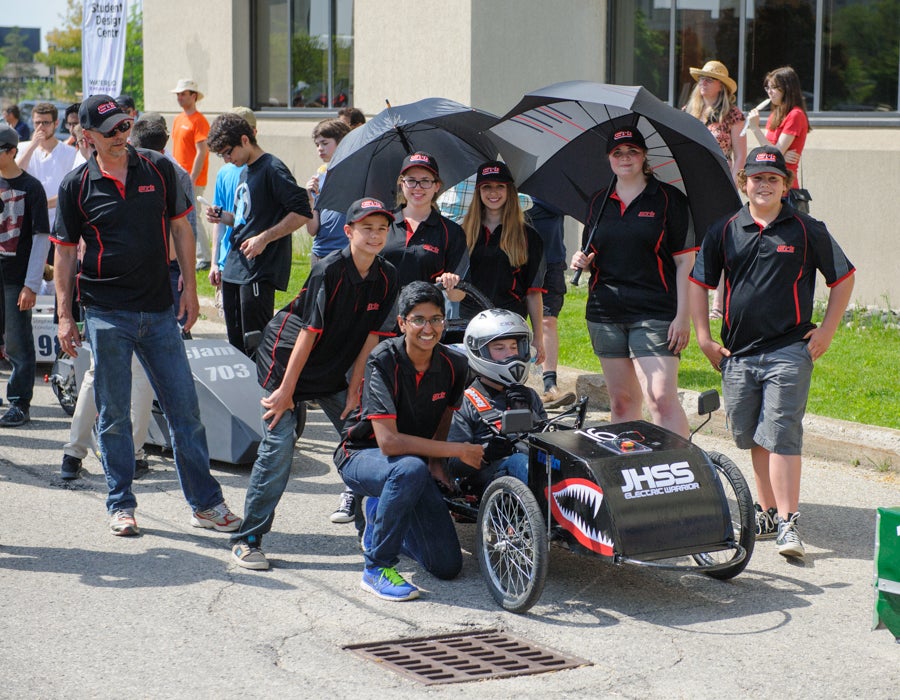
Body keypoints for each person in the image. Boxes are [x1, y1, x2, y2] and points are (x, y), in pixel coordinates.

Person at [53, 95, 242, 537]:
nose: (121, 136)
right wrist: (65, 316)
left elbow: (181, 226)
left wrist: (190, 292)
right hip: (105, 314)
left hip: (159, 311)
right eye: (111, 130)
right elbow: (63, 255)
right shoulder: (75, 185)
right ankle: (120, 503)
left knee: (185, 412)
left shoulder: (157, 168)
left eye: (124, 126)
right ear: (87, 138)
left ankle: (206, 504)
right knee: (115, 415)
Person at [689, 145, 855, 559]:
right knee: (752, 435)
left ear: (785, 185)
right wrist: (704, 339)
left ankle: (787, 521)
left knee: (781, 432)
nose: (764, 185)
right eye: (757, 178)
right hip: (738, 354)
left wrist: (828, 331)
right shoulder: (725, 229)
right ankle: (765, 511)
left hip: (788, 350)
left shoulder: (804, 228)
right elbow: (698, 283)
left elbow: (844, 278)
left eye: (773, 179)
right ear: (744, 183)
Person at [230, 197, 399, 570]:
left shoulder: (388, 275)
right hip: (286, 360)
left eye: (381, 228)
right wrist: (287, 392)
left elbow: (372, 339)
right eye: (366, 227)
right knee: (279, 447)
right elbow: (308, 334)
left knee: (364, 441)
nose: (374, 235)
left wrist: (356, 390)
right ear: (348, 231)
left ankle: (367, 530)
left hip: (332, 368)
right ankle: (249, 538)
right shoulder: (329, 269)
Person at [336, 281, 483, 601]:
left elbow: (445, 415)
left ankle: (384, 518)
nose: (428, 328)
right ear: (402, 323)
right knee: (407, 469)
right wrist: (457, 450)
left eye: (436, 319)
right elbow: (388, 443)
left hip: (412, 462)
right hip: (361, 455)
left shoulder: (456, 364)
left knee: (447, 566)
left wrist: (438, 464)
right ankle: (376, 568)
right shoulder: (383, 359)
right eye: (418, 319)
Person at [570, 127, 693, 438]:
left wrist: (683, 317)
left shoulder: (669, 199)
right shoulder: (599, 201)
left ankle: (677, 473)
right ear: (609, 158)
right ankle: (629, 476)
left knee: (661, 398)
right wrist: (583, 260)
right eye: (618, 153)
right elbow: (594, 250)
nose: (625, 158)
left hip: (655, 311)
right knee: (622, 402)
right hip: (605, 312)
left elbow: (684, 262)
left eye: (632, 152)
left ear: (644, 156)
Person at [204, 113, 311, 356]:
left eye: (228, 152)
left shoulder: (273, 168)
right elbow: (246, 219)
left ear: (245, 139)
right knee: (235, 346)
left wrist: (265, 238)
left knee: (255, 345)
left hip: (257, 270)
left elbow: (304, 212)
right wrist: (223, 217)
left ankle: (259, 392)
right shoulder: (244, 170)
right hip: (235, 265)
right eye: (222, 155)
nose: (227, 159)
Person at [447, 309, 546, 489]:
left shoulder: (529, 395)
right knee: (518, 461)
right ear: (480, 352)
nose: (510, 354)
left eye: (514, 347)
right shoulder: (464, 402)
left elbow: (550, 444)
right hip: (487, 481)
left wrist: (530, 414)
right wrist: (487, 453)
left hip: (529, 482)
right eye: (500, 348)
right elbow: (453, 467)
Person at [460, 160, 546, 364]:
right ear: (478, 192)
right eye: (487, 187)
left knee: (508, 384)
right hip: (471, 322)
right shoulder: (462, 233)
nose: (493, 193)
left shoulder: (529, 236)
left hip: (509, 322)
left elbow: (533, 292)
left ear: (510, 191)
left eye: (500, 186)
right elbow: (456, 288)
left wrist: (538, 339)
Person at [683, 60, 746, 319]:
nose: (703, 83)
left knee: (719, 241)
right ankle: (687, 300)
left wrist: (728, 183)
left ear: (721, 86)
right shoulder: (689, 111)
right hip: (692, 182)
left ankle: (717, 303)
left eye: (709, 79)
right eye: (701, 79)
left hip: (720, 184)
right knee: (690, 241)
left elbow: (740, 156)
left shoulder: (733, 115)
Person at [0, 123, 50, 427]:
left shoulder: (32, 188)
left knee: (18, 343)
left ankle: (20, 403)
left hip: (16, 278)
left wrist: (32, 284)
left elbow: (42, 236)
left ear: (11, 151)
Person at [526, 199, 575, 408]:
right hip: (516, 258)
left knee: (547, 321)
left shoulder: (551, 187)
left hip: (551, 260)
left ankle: (550, 385)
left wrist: (527, 205)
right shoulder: (509, 184)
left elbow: (558, 205)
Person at [208, 107, 256, 313]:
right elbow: (218, 219)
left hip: (247, 260)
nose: (228, 157)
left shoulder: (260, 170)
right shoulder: (226, 171)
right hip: (228, 259)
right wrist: (215, 262)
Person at [746, 66, 811, 213]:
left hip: (786, 187)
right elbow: (771, 151)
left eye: (775, 87)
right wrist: (780, 153)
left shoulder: (795, 115)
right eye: (767, 87)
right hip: (771, 185)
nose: (770, 92)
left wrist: (755, 128)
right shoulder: (775, 114)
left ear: (787, 89)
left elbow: (773, 154)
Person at [170, 78, 212, 269]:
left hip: (193, 177)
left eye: (183, 94)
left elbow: (202, 151)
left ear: (193, 96)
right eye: (178, 94)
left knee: (194, 215)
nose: (179, 97)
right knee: (185, 216)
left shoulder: (199, 120)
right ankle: (194, 254)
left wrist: (192, 177)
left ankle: (204, 257)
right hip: (180, 176)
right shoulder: (178, 119)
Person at [15, 103, 77, 231]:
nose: (41, 127)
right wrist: (33, 145)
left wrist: (42, 205)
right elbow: (15, 175)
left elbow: (71, 190)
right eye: (37, 123)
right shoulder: (22, 148)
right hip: (27, 222)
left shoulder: (70, 152)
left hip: (57, 222)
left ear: (56, 123)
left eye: (46, 123)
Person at [305, 118, 351, 265]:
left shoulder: (356, 174)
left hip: (346, 251)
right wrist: (309, 200)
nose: (320, 148)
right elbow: (312, 230)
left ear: (342, 142)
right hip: (320, 253)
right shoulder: (319, 177)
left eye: (325, 143)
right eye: (317, 144)